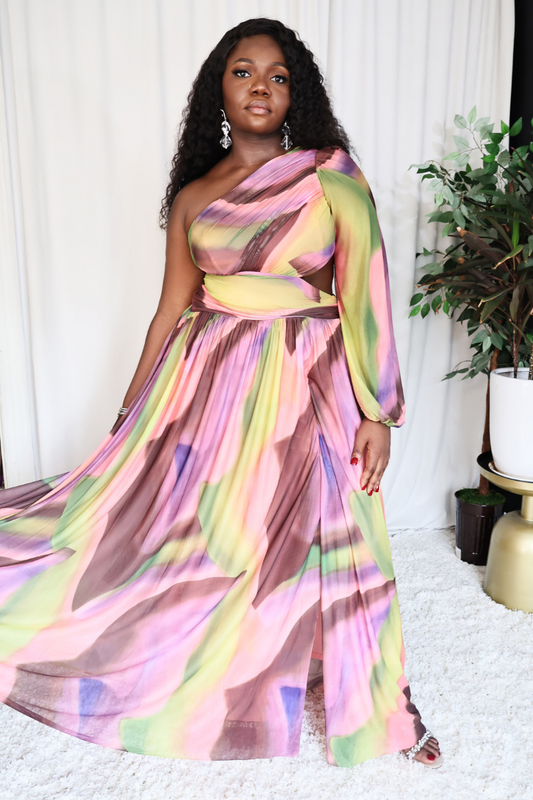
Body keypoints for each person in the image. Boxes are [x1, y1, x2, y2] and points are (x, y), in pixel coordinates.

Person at [0, 18, 442, 769]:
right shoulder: (194, 196)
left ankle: (382, 702)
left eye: (277, 76)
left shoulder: (330, 174)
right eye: (243, 72)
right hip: (210, 383)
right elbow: (170, 309)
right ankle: (224, 656)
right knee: (214, 537)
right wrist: (128, 413)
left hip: (313, 378)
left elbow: (365, 293)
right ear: (219, 89)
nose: (260, 87)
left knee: (349, 532)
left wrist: (379, 411)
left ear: (296, 93)